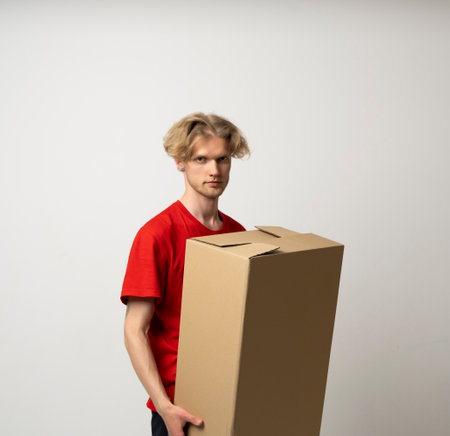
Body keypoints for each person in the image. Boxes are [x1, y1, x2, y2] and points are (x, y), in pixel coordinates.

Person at [121, 112, 250, 436]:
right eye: (201, 159)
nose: (214, 170)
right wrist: (164, 407)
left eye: (222, 159)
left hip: (231, 398)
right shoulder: (156, 235)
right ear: (180, 162)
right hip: (180, 408)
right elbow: (135, 329)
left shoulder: (238, 234)